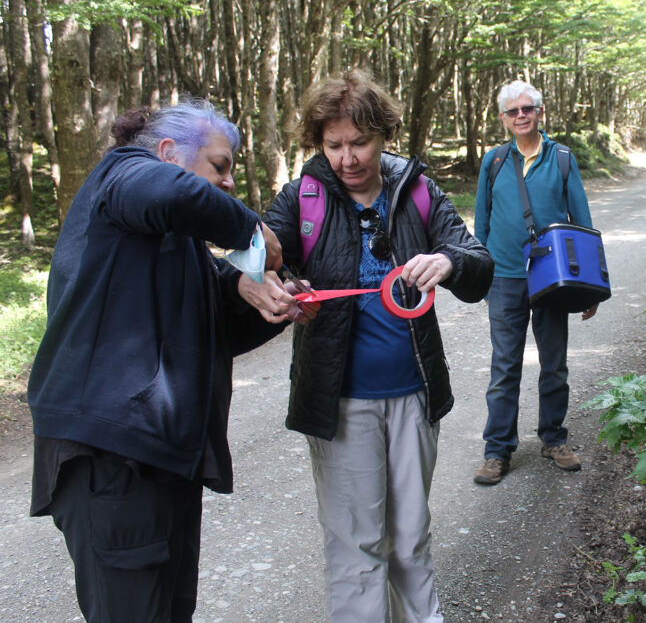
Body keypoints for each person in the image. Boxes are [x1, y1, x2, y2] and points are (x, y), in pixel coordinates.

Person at [27, 100, 315, 622]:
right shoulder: (124, 175)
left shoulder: (174, 242)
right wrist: (253, 231)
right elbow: (171, 192)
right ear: (167, 153)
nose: (228, 182)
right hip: (110, 460)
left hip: (161, 460)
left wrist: (260, 299)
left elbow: (209, 334)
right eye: (219, 166)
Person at [262, 69, 493, 623]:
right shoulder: (302, 198)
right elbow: (263, 264)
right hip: (338, 401)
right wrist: (285, 288)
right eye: (333, 145)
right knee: (355, 543)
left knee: (410, 537)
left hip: (414, 393)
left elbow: (480, 264)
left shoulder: (416, 189)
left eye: (359, 142)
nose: (347, 158)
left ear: (383, 133)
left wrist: (450, 260)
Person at [472, 81, 599, 485]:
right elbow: (482, 223)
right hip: (505, 277)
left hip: (553, 278)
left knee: (554, 364)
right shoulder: (493, 161)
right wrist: (480, 275)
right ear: (503, 118)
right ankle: (497, 450)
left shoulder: (561, 158)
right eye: (513, 111)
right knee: (504, 367)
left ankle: (553, 438)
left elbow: (581, 222)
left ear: (540, 112)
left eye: (528, 108)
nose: (521, 115)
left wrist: (590, 286)